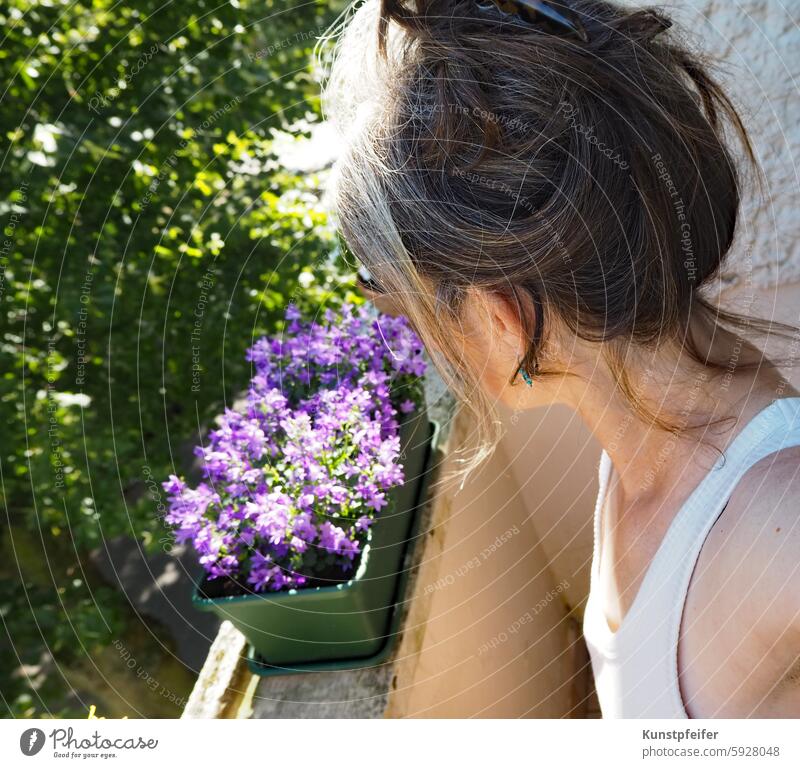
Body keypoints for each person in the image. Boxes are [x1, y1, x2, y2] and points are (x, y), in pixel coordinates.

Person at [323, 0, 800, 717]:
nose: (418, 337)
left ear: (500, 320)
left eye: (407, 306)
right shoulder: (635, 456)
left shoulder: (777, 533)